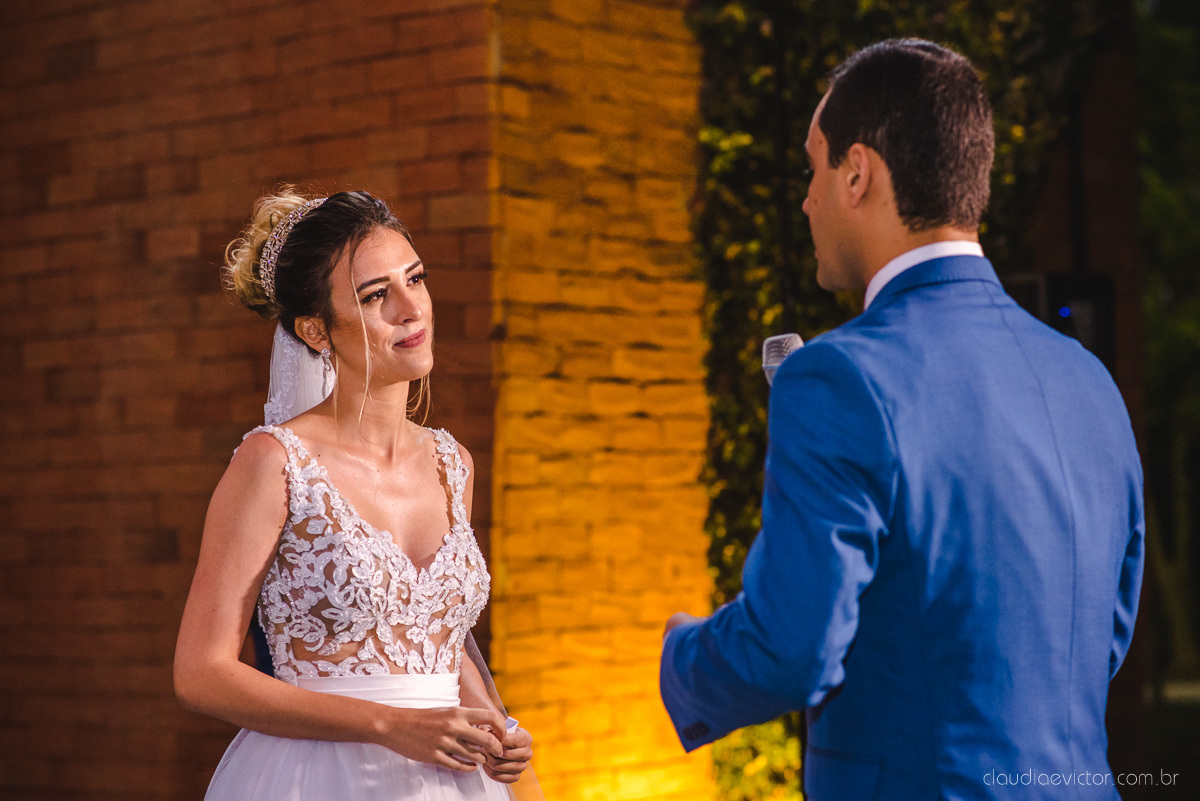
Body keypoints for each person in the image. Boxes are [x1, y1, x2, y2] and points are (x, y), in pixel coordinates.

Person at [659, 39, 1144, 800]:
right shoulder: (1089, 379)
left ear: (860, 173)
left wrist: (682, 654)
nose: (807, 198)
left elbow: (792, 648)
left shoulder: (837, 376)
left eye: (813, 169)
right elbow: (1102, 636)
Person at [174, 189, 534, 800]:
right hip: (319, 778)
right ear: (317, 331)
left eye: (414, 279)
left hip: (450, 781)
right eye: (375, 295)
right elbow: (200, 673)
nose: (410, 308)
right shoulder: (275, 463)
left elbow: (437, 641)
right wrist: (388, 724)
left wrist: (497, 729)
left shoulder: (452, 464)